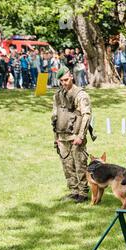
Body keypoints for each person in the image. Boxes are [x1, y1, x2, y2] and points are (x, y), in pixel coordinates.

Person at [51, 66, 92, 203]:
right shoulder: (58, 95)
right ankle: (74, 190)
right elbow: (55, 117)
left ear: (72, 77)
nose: (64, 83)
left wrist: (81, 135)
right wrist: (56, 138)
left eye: (66, 80)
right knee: (67, 165)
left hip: (75, 135)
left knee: (80, 164)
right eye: (61, 81)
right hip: (62, 136)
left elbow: (86, 115)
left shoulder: (80, 95)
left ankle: (83, 192)